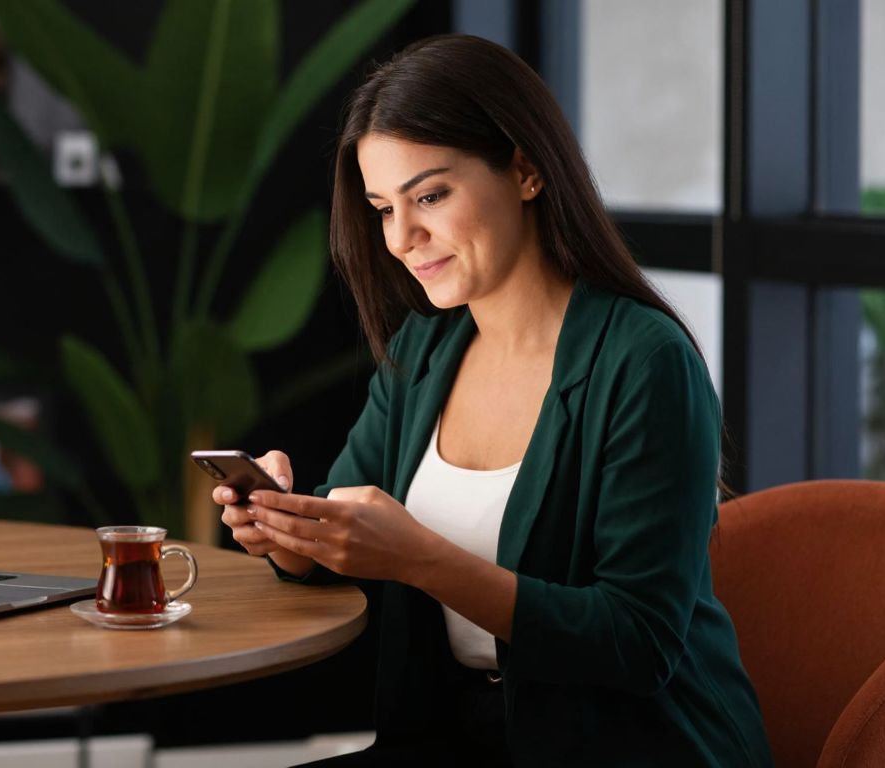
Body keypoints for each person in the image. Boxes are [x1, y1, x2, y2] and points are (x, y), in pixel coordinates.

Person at [216, 35, 773, 767]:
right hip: (458, 736)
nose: (403, 238)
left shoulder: (644, 362)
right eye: (384, 208)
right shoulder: (424, 352)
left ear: (527, 169)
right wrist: (288, 531)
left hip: (633, 747)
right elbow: (350, 538)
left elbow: (638, 643)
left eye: (431, 195)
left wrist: (423, 561)